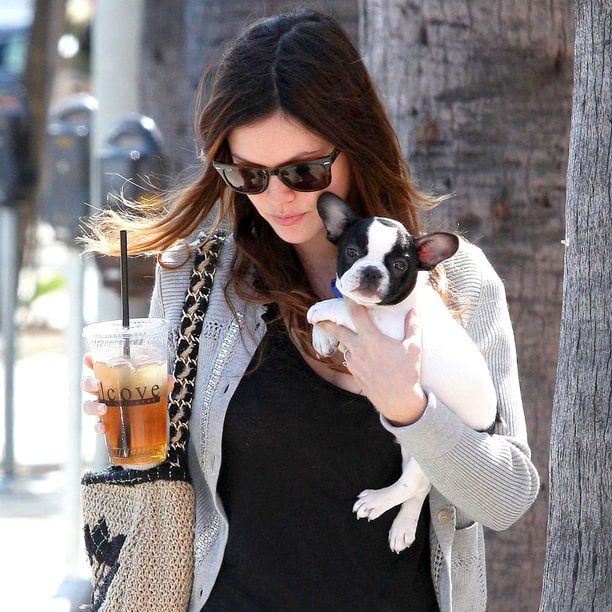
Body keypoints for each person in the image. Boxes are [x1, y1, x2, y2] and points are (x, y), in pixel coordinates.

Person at [81, 9, 540, 612]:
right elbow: (157, 480)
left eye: (303, 170)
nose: (277, 197)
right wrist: (119, 423)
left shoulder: (456, 282)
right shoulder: (199, 282)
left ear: (358, 147)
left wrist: (409, 408)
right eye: (249, 173)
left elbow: (505, 500)